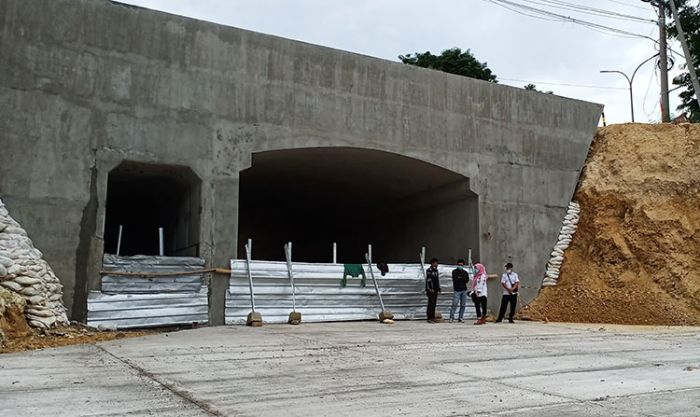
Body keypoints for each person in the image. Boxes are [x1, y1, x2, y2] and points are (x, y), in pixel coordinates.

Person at [425, 258, 441, 323]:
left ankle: (433, 317)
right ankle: (429, 318)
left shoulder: (436, 270)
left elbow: (437, 280)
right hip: (430, 290)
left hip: (435, 290)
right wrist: (430, 288)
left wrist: (438, 288)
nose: (437, 264)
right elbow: (429, 280)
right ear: (432, 263)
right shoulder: (429, 270)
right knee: (430, 304)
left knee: (434, 304)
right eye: (436, 263)